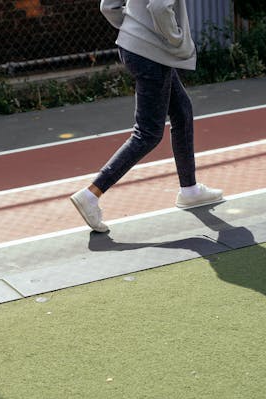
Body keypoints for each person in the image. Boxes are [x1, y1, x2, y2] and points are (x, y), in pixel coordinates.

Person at [70, 0, 224, 233]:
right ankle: (91, 194)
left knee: (182, 112)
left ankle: (190, 190)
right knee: (147, 134)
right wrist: (176, 40)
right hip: (152, 53)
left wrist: (135, 30)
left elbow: (108, 6)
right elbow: (160, 7)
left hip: (135, 47)